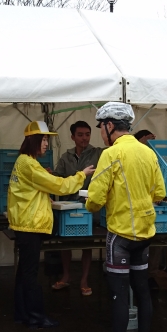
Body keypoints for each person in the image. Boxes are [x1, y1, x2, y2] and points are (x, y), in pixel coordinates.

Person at [84, 103, 166, 332]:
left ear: (109, 126)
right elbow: (159, 193)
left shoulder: (111, 154)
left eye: (100, 127)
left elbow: (95, 200)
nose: (100, 133)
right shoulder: (148, 153)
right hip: (145, 234)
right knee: (142, 290)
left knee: (118, 294)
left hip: (120, 235)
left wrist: (96, 201)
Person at [8, 121, 94, 328]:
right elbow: (60, 185)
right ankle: (36, 316)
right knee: (30, 273)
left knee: (24, 272)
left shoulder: (26, 162)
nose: (46, 144)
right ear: (33, 140)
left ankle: (22, 313)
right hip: (29, 225)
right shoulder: (28, 164)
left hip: (25, 224)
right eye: (44, 139)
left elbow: (35, 186)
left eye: (47, 139)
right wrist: (82, 175)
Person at [51, 121, 104, 296]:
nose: (84, 138)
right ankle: (66, 276)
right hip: (67, 206)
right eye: (80, 135)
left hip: (88, 208)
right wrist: (50, 175)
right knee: (65, 243)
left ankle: (84, 280)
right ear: (72, 137)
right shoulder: (66, 157)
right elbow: (57, 179)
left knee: (87, 244)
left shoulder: (98, 154)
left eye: (87, 134)